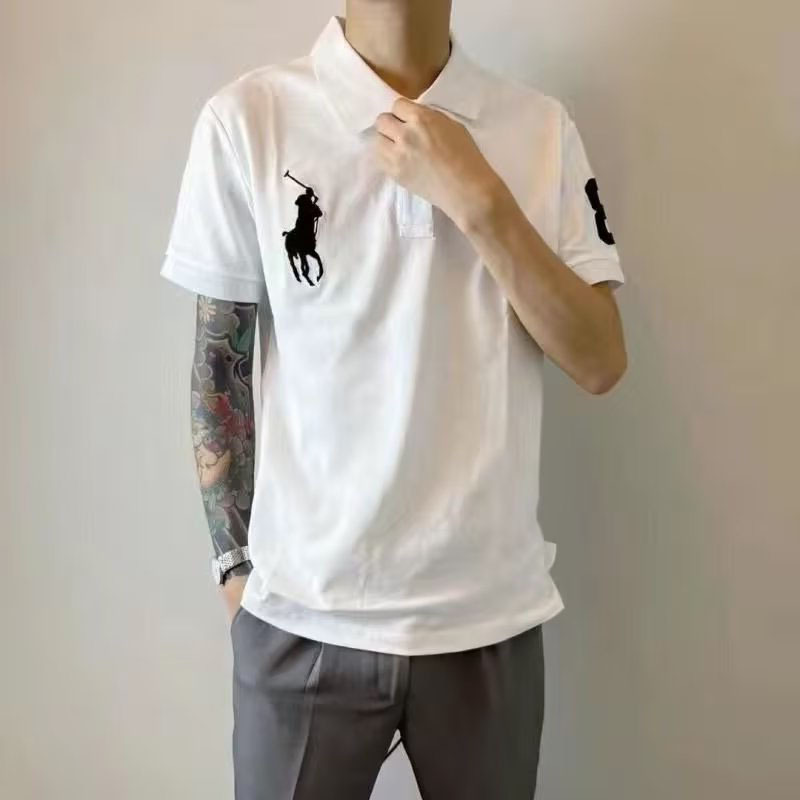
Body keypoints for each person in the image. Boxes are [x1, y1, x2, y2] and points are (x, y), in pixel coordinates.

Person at [160, 1, 627, 797]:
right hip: (300, 618)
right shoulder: (248, 119)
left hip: (488, 619)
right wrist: (235, 570)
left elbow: (599, 359)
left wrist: (479, 198)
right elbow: (218, 371)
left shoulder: (539, 128)